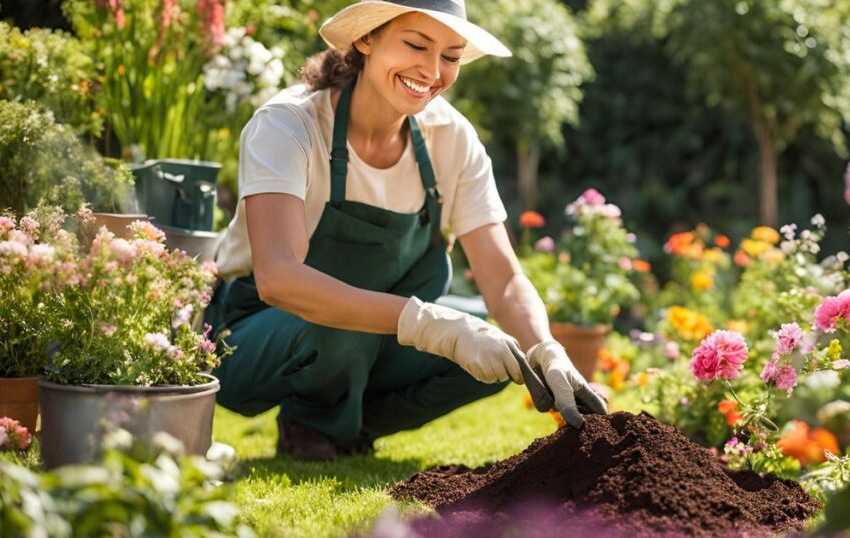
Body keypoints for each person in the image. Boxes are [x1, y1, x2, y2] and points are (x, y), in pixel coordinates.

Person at [207, 0, 607, 461]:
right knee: (340, 328)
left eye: (451, 57)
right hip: (252, 336)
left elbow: (505, 278)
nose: (433, 71)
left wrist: (546, 348)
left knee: (501, 347)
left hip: (371, 340)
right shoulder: (288, 125)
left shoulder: (451, 139)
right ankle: (311, 420)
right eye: (416, 44)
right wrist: (430, 324)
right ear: (367, 38)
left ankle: (347, 427)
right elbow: (279, 277)